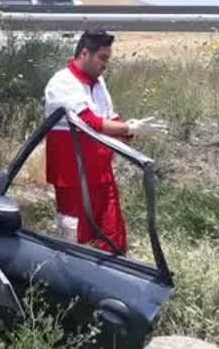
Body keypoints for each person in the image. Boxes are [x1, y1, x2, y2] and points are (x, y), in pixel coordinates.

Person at [43, 29, 168, 253]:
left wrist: (130, 129)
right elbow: (88, 121)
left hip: (100, 172)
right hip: (73, 176)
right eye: (102, 58)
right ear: (84, 53)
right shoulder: (63, 82)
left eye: (108, 58)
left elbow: (109, 118)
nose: (105, 64)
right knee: (75, 241)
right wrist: (128, 127)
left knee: (112, 237)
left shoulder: (98, 82)